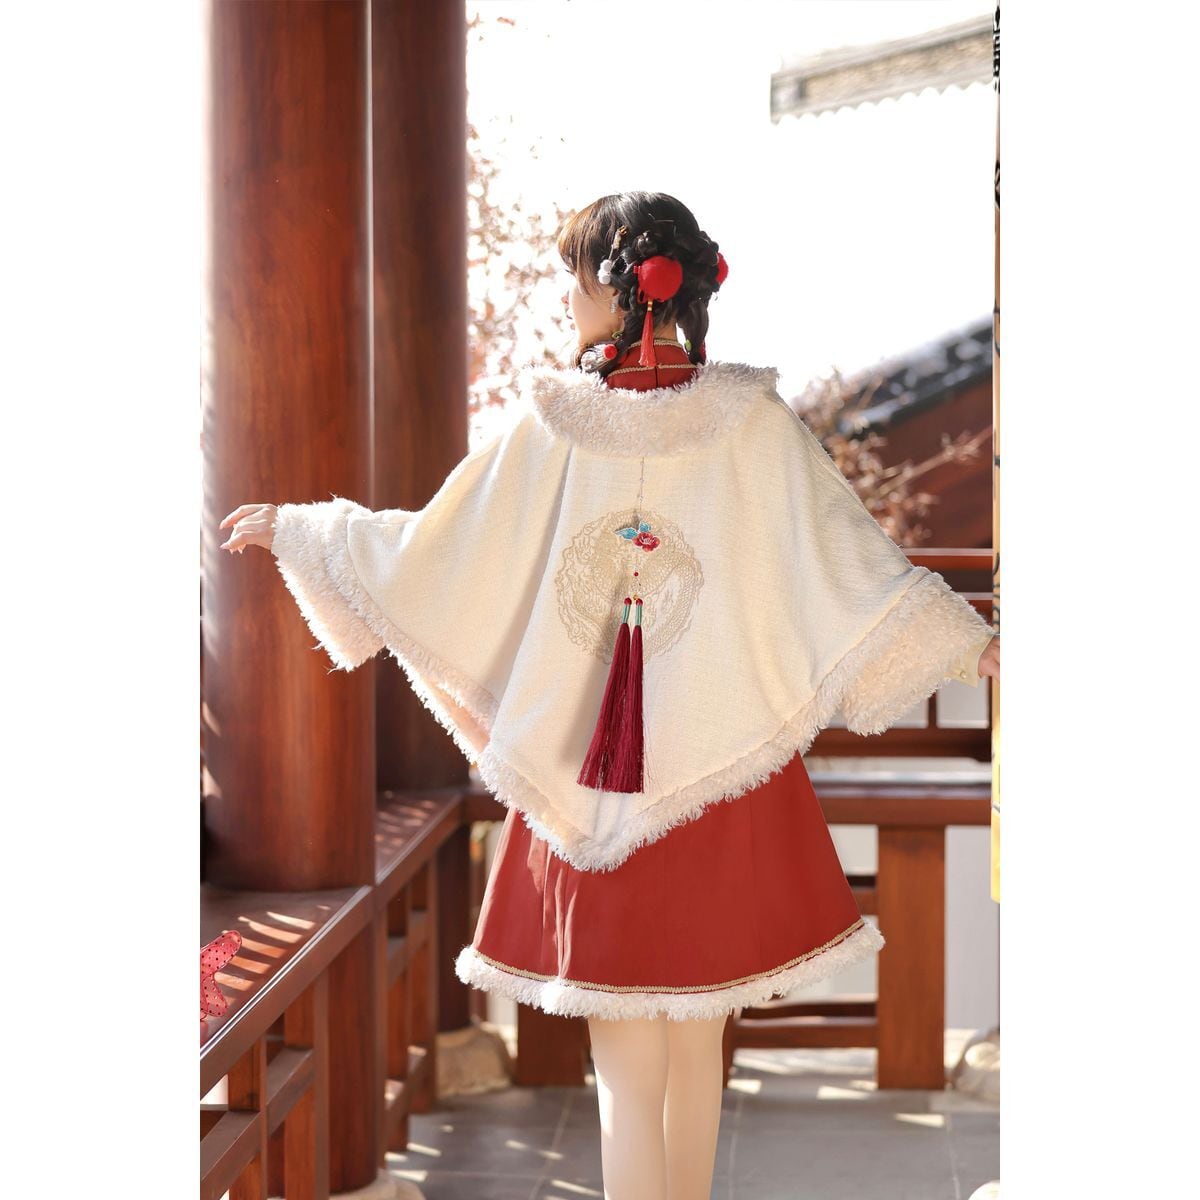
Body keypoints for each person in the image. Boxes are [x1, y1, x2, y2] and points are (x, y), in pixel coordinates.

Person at [219, 191, 998, 1200]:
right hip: (724, 778)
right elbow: (852, 566)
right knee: (695, 1055)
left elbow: (436, 551)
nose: (568, 297)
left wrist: (308, 532)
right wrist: (968, 647)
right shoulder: (753, 426)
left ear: (625, 288)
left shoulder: (550, 428)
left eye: (577, 277)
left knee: (625, 1075)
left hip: (588, 787)